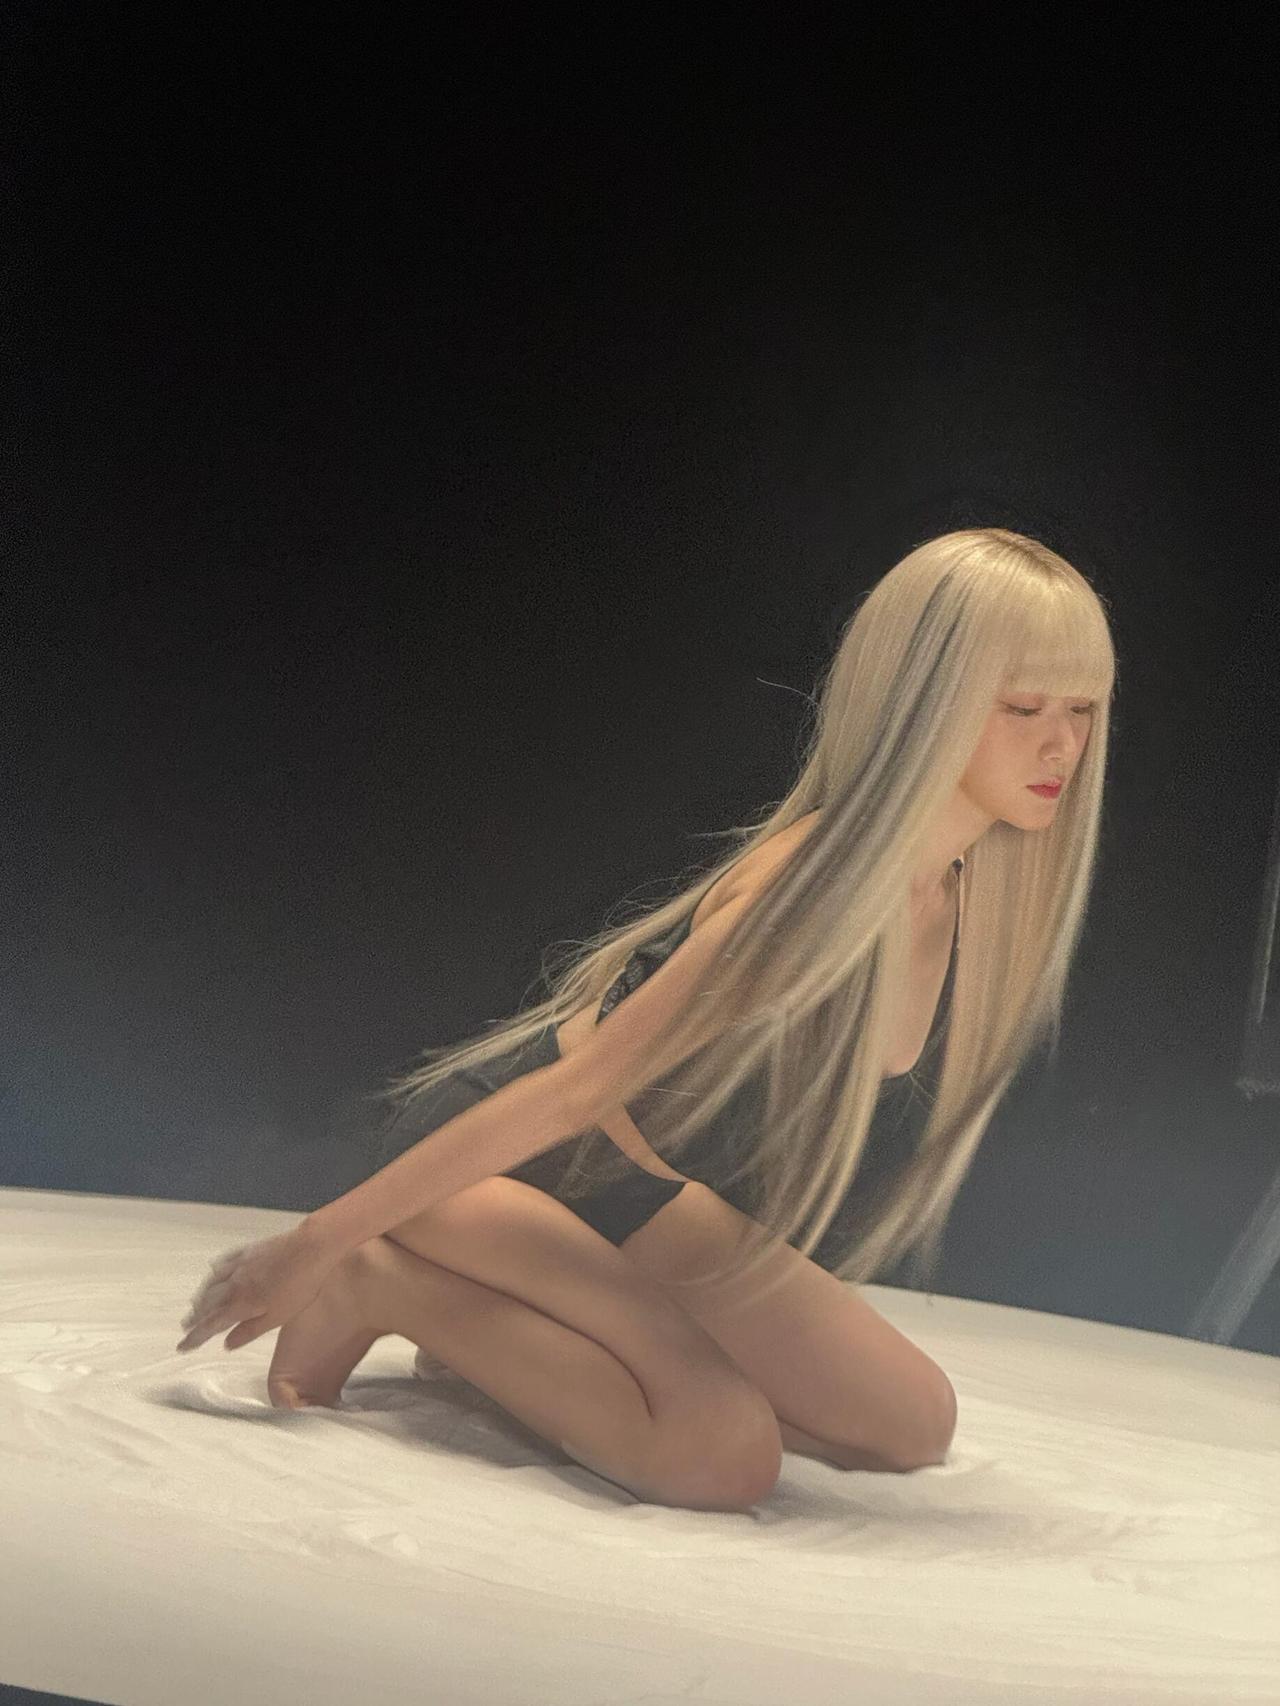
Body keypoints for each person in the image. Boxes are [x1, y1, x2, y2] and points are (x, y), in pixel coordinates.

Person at [176, 525, 1116, 1512]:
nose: (1060, 745)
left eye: (1082, 709)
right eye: (1023, 708)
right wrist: (315, 1243)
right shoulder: (805, 893)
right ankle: (380, 1282)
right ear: (922, 702)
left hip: (631, 1187)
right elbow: (569, 1094)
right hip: (503, 1163)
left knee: (910, 1421)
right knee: (722, 1454)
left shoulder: (952, 893)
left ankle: (509, 1344)